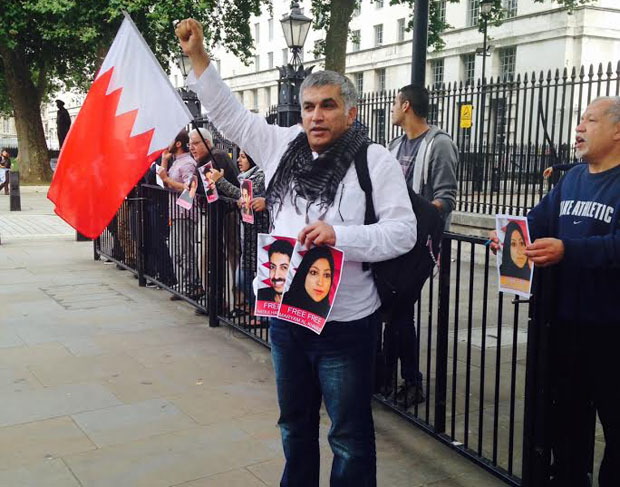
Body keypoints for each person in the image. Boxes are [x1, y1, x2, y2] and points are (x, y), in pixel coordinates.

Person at [177, 18, 416, 487]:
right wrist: (198, 57)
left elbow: (403, 232)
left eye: (328, 106)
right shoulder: (281, 144)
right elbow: (229, 115)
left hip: (345, 323)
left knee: (348, 435)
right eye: (309, 106)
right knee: (294, 426)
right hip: (287, 318)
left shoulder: (374, 160)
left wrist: (340, 236)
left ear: (349, 112)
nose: (315, 116)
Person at [491, 96, 619, 487]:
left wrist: (568, 250)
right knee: (566, 425)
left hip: (611, 330)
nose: (579, 128)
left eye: (590, 120)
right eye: (579, 119)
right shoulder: (573, 178)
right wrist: (505, 238)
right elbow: (537, 219)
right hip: (565, 326)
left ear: (617, 131)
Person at [383, 84, 458, 406]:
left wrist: (412, 208)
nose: (391, 109)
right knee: (392, 311)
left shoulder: (439, 145)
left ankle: (410, 382)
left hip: (420, 245)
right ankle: (390, 378)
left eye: (395, 103)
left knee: (400, 312)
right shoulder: (394, 145)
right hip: (393, 240)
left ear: (407, 106)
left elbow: (446, 198)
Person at [159, 130, 204, 301]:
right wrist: (164, 159)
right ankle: (183, 283)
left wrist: (167, 179)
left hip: (185, 213)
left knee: (183, 251)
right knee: (176, 249)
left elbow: (188, 187)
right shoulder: (176, 161)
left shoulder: (187, 163)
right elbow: (163, 179)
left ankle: (189, 284)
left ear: (178, 143)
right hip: (176, 212)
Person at [280, 246, 334, 318]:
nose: (320, 283)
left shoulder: (328, 311)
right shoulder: (283, 304)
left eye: (327, 275)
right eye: (314, 272)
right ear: (303, 274)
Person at [257, 239, 294, 303]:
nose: (276, 276)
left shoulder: (302, 303)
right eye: (272, 267)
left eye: (284, 267)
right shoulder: (260, 296)